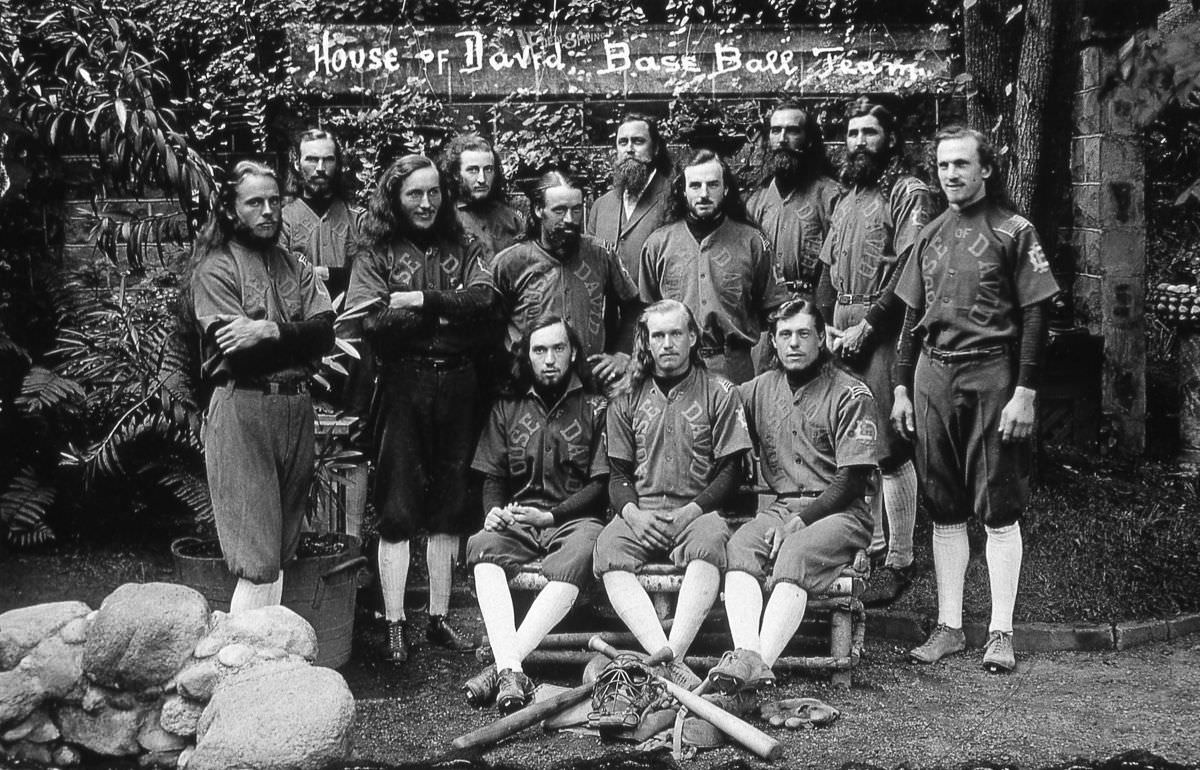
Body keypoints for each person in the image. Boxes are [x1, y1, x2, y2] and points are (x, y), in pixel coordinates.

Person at [892, 125, 1059, 673]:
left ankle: (1000, 631)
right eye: (943, 166)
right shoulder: (929, 232)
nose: (951, 175)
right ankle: (949, 627)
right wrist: (899, 386)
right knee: (943, 505)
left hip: (992, 373)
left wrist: (1026, 391)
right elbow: (911, 318)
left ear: (986, 169)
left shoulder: (1014, 230)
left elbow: (1036, 311)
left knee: (997, 505)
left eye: (962, 164)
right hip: (933, 376)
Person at [345, 154, 500, 664]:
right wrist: (442, 309)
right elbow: (371, 321)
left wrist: (417, 301)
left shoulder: (466, 244)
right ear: (395, 196)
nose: (427, 203)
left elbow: (484, 300)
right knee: (397, 505)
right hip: (402, 383)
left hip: (459, 383)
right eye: (415, 193)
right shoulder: (375, 250)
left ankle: (437, 619)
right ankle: (394, 623)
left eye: (434, 192)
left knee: (450, 504)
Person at [708, 299, 877, 691]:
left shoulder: (851, 393)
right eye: (785, 335)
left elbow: (852, 479)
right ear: (774, 342)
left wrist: (801, 522)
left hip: (842, 514)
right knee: (741, 546)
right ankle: (746, 660)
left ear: (822, 338)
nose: (794, 344)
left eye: (804, 334)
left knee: (795, 552)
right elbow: (713, 399)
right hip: (782, 508)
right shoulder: (759, 389)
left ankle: (759, 667)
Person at [190, 160, 334, 613]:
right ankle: (239, 669)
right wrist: (294, 337)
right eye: (255, 202)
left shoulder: (293, 265)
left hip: (294, 409)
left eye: (275, 201)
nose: (268, 211)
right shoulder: (215, 269)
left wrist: (269, 331)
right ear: (231, 210)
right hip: (243, 405)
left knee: (281, 550)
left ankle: (266, 668)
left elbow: (326, 332)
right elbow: (240, 354)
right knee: (256, 557)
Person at [593, 300, 753, 677]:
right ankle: (666, 659)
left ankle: (673, 652)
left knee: (711, 543)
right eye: (658, 335)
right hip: (642, 510)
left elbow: (731, 471)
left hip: (697, 511)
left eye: (676, 333)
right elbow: (617, 474)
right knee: (607, 548)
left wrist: (692, 511)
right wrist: (631, 514)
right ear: (646, 341)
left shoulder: (720, 391)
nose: (667, 343)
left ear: (693, 337)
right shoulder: (626, 395)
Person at [816, 100, 933, 606]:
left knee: (888, 446)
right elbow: (826, 269)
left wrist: (868, 325)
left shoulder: (907, 192)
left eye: (870, 133)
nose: (859, 141)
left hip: (883, 324)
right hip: (840, 324)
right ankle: (870, 546)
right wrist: (824, 324)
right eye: (852, 133)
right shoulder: (846, 197)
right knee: (853, 443)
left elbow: (908, 267)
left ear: (890, 139)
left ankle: (901, 559)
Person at [463, 316, 610, 714]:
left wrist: (553, 516)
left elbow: (600, 486)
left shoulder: (597, 406)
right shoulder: (506, 406)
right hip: (521, 518)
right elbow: (493, 475)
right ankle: (512, 668)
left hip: (575, 519)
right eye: (539, 350)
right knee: (481, 545)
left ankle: (502, 666)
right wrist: (494, 513)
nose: (549, 359)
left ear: (573, 352)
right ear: (527, 356)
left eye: (558, 349)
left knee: (583, 552)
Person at [639, 148, 788, 384]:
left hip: (735, 366)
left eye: (713, 185)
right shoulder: (658, 244)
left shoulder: (753, 242)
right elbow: (646, 312)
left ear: (726, 189)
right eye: (695, 185)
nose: (704, 194)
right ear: (683, 190)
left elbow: (776, 308)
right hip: (675, 367)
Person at [492, 169, 641, 392]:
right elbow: (491, 326)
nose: (570, 220)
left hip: (589, 384)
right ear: (538, 209)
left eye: (576, 210)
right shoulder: (510, 263)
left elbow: (633, 308)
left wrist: (621, 354)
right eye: (559, 210)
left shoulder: (600, 254)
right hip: (528, 387)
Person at [746, 100, 840, 298]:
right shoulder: (756, 201)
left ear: (809, 140)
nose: (782, 139)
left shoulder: (830, 196)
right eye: (775, 130)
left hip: (811, 307)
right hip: (766, 308)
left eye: (792, 131)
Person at [585, 113, 673, 279]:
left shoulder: (672, 198)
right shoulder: (601, 205)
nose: (629, 149)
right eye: (623, 142)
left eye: (638, 141)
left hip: (655, 304)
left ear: (655, 149)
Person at [281, 129, 361, 300]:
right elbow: (282, 279)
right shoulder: (282, 220)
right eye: (311, 159)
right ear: (297, 163)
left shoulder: (359, 219)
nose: (320, 168)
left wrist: (322, 273)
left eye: (328, 160)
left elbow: (369, 277)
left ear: (338, 164)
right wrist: (341, 275)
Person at [441, 133, 524, 256]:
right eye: (473, 170)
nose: (482, 179)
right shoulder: (447, 219)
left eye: (488, 169)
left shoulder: (510, 219)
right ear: (456, 174)